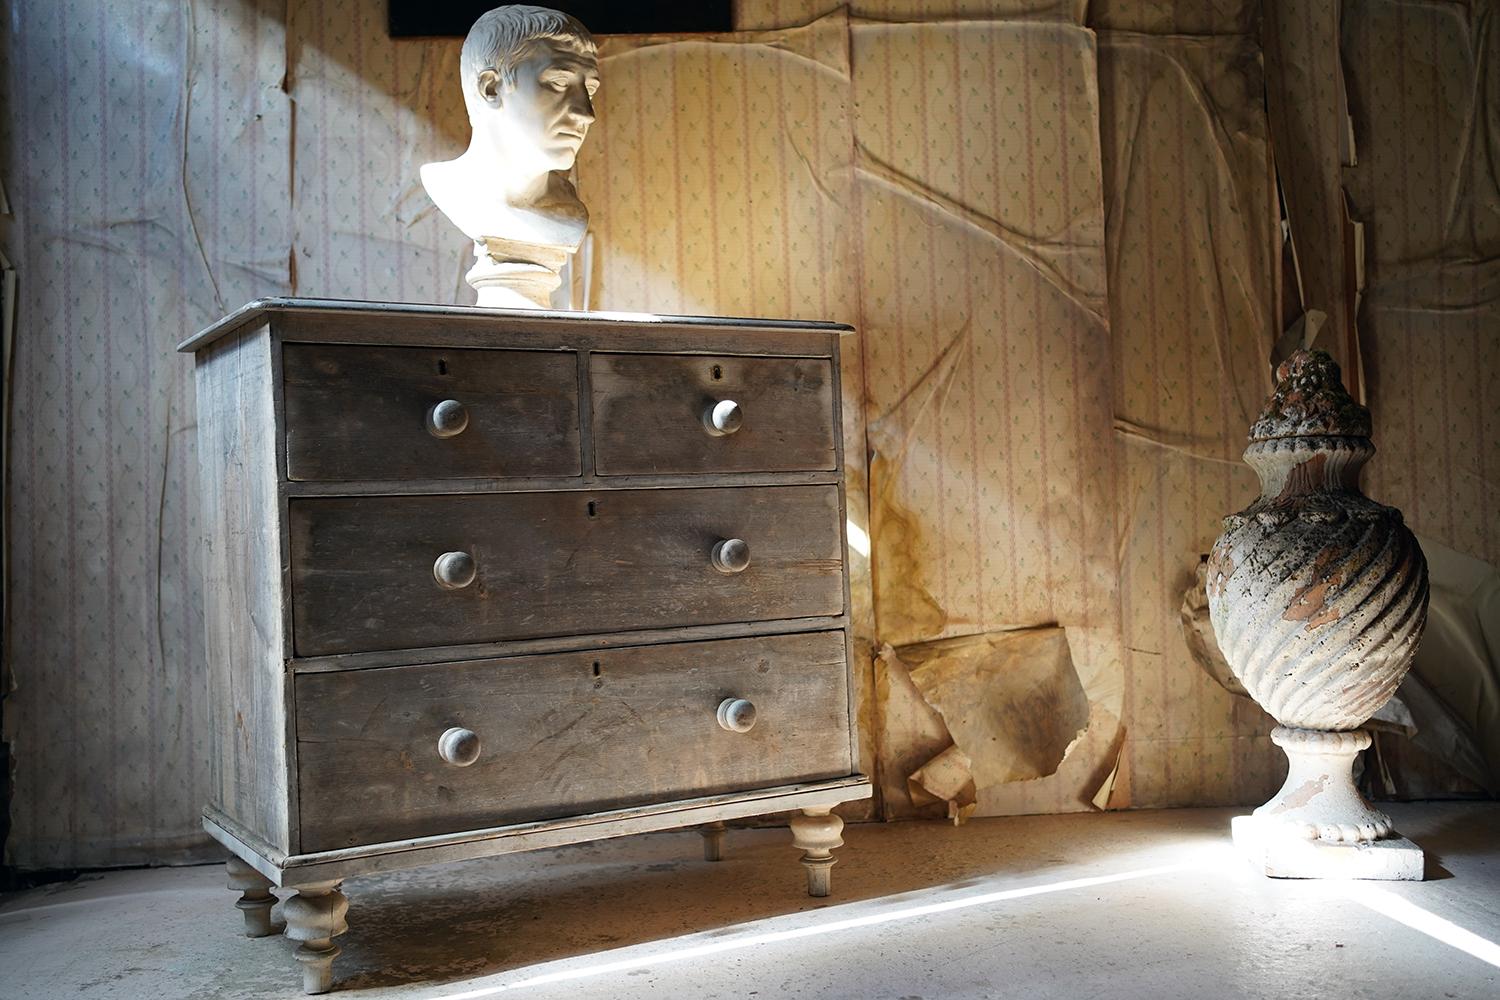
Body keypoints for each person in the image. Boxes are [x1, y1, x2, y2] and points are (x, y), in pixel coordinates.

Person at [421, 5, 600, 254]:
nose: (586, 113)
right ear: (491, 89)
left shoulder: (570, 213)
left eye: (590, 90)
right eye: (559, 83)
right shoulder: (449, 190)